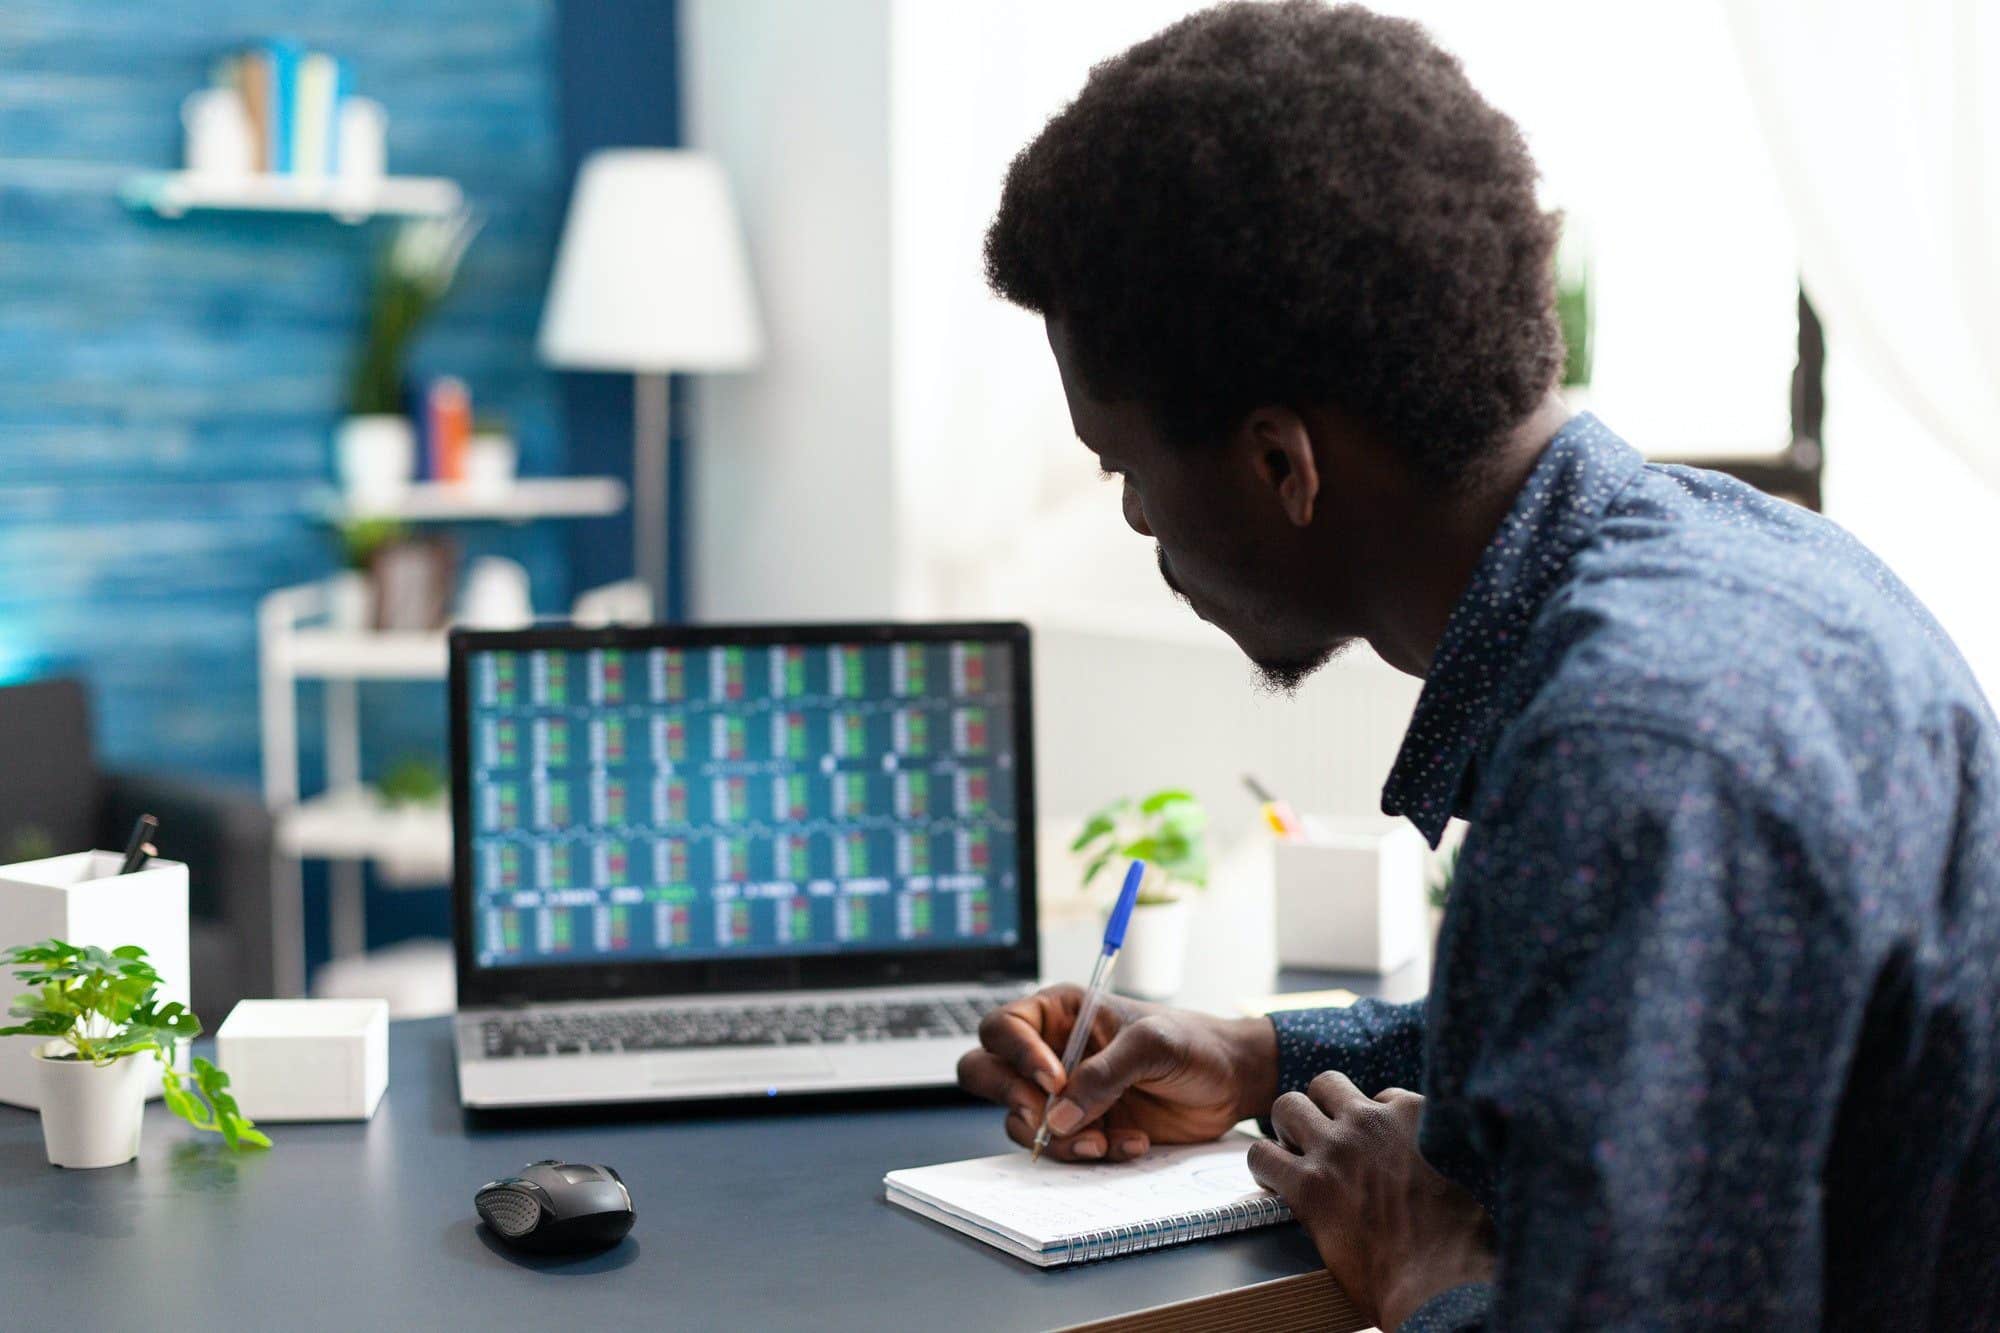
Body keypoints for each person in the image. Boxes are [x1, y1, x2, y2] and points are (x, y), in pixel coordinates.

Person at [954, 3, 2000, 1328]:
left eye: (1126, 470)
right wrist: (1261, 1054)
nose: (1135, 519)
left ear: (1281, 464)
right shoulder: (1750, 559)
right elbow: (1630, 1041)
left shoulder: (1633, 750)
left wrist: (1420, 1268)